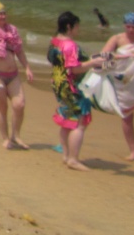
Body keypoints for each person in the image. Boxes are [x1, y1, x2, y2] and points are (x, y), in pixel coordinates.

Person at [48, 11, 104, 170]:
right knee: (79, 123)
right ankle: (73, 159)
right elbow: (75, 69)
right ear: (69, 27)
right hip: (71, 86)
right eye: (77, 26)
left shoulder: (55, 41)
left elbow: (54, 60)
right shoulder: (70, 45)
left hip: (58, 84)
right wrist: (93, 63)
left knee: (67, 121)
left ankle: (66, 156)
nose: (78, 29)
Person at [0, 1, 35, 149]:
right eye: (0, 14)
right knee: (2, 108)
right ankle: (5, 138)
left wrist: (27, 68)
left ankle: (16, 136)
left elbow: (19, 51)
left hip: (13, 75)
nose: (3, 16)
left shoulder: (12, 30)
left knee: (19, 105)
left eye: (4, 13)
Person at [99, 11, 134, 161]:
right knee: (126, 117)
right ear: (124, 25)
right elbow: (102, 57)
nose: (131, 30)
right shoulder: (116, 39)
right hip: (124, 83)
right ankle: (133, 151)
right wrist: (122, 56)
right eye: (128, 26)